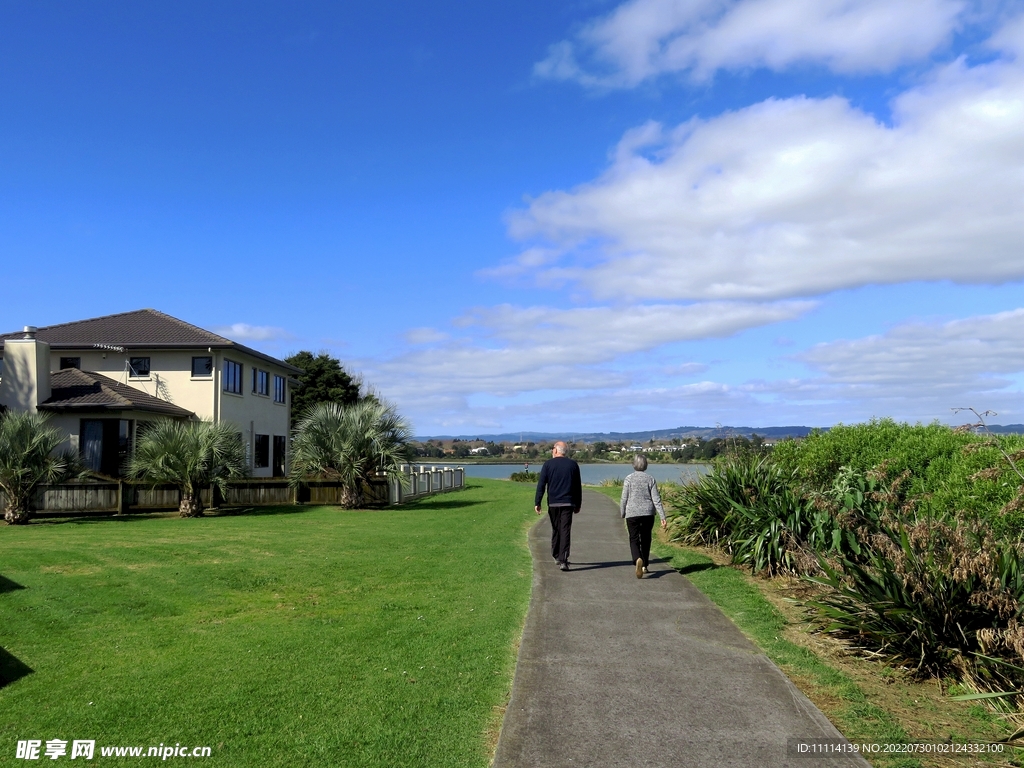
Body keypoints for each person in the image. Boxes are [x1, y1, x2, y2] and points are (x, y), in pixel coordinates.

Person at [534, 441, 582, 571]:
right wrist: (578, 504)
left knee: (556, 528)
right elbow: (578, 487)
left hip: (554, 503)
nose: (552, 451)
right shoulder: (573, 465)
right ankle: (562, 558)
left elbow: (541, 485)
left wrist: (537, 502)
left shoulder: (548, 465)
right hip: (568, 502)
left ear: (556, 451)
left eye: (552, 449)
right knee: (564, 529)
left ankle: (557, 556)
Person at [620, 454, 667, 579]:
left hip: (632, 513)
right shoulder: (650, 479)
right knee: (646, 538)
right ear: (646, 465)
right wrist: (663, 516)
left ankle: (637, 559)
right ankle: (645, 564)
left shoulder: (629, 478)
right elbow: (656, 499)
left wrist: (622, 512)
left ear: (633, 464)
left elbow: (624, 497)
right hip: (648, 513)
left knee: (634, 538)